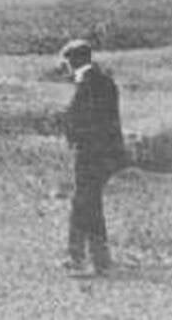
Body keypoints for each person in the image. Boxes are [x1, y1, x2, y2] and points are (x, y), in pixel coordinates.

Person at [59, 39, 128, 275]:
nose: (67, 66)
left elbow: (90, 122)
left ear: (76, 60)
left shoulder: (89, 85)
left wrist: (74, 133)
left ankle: (89, 261)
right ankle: (89, 258)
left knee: (85, 204)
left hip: (91, 154)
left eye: (68, 61)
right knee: (87, 203)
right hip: (99, 153)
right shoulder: (101, 82)